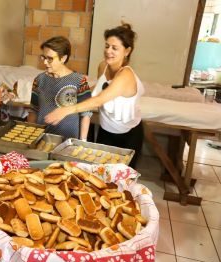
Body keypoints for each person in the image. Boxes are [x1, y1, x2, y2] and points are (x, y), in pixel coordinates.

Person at [45, 23, 144, 168]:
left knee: (120, 182)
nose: (108, 51)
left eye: (115, 48)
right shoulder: (102, 66)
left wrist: (66, 110)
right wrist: (71, 93)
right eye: (107, 46)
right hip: (105, 131)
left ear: (127, 51)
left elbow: (98, 100)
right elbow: (99, 90)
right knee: (100, 174)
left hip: (127, 136)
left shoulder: (126, 75)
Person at [27, 36, 92, 140]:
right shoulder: (39, 80)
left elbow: (86, 113)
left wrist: (82, 141)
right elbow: (33, 110)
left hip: (68, 140)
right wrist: (29, 134)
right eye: (43, 57)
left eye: (50, 59)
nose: (44, 62)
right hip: (41, 138)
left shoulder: (79, 81)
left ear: (63, 58)